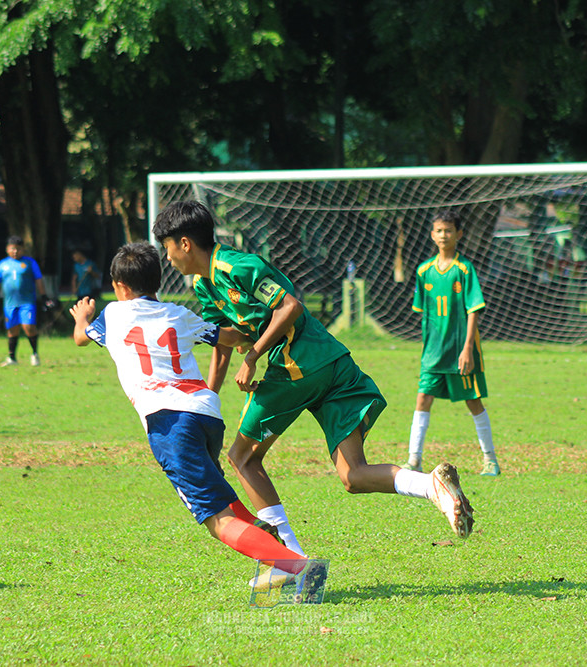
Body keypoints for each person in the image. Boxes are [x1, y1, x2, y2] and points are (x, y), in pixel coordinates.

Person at [152, 201, 474, 578]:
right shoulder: (204, 285)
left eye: (168, 247)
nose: (167, 257)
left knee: (243, 458)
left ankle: (291, 561)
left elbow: (290, 307)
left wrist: (253, 354)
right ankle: (431, 486)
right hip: (331, 361)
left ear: (185, 243)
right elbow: (226, 342)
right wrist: (206, 394)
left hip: (297, 362)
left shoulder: (237, 265)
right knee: (353, 475)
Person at [69, 242, 320, 589]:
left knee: (216, 520)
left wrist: (82, 316)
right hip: (206, 412)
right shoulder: (178, 314)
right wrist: (248, 334)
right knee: (225, 500)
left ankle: (294, 566)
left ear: (120, 287)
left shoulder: (112, 315)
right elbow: (229, 337)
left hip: (169, 422)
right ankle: (277, 550)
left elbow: (82, 338)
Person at [403, 209, 500, 476]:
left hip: (461, 351)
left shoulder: (464, 269)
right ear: (432, 234)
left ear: (459, 234)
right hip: (433, 353)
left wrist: (468, 348)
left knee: (473, 401)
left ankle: (490, 459)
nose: (443, 235)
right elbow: (424, 314)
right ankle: (414, 460)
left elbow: (473, 309)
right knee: (422, 398)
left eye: (448, 230)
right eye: (438, 230)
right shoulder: (424, 271)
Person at [0, 235, 56, 367]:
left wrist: (44, 297)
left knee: (28, 327)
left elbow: (39, 280)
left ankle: (34, 353)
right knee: (12, 330)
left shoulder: (30, 263)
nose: (15, 251)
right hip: (9, 303)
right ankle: (12, 358)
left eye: (18, 249)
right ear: (7, 249)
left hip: (27, 302)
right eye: (12, 249)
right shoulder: (3, 264)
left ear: (23, 249)